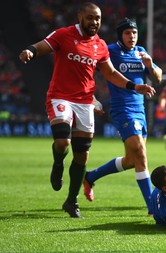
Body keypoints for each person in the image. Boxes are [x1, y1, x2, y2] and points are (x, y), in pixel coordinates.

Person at [18, 3, 155, 218]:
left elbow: (110, 73)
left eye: (98, 19)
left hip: (84, 101)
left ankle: (71, 202)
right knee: (64, 142)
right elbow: (44, 45)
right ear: (80, 17)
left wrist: (133, 86)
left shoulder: (99, 45)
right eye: (90, 18)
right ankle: (58, 163)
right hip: (60, 96)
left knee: (82, 154)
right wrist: (30, 51)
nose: (94, 22)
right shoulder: (65, 34)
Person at [83, 17, 162, 215]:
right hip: (122, 110)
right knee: (141, 156)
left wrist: (151, 65)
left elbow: (158, 78)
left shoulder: (141, 52)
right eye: (128, 33)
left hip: (140, 110)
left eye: (134, 33)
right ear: (121, 35)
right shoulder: (110, 50)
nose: (132, 36)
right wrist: (91, 97)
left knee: (131, 160)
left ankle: (90, 177)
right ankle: (152, 206)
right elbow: (88, 69)